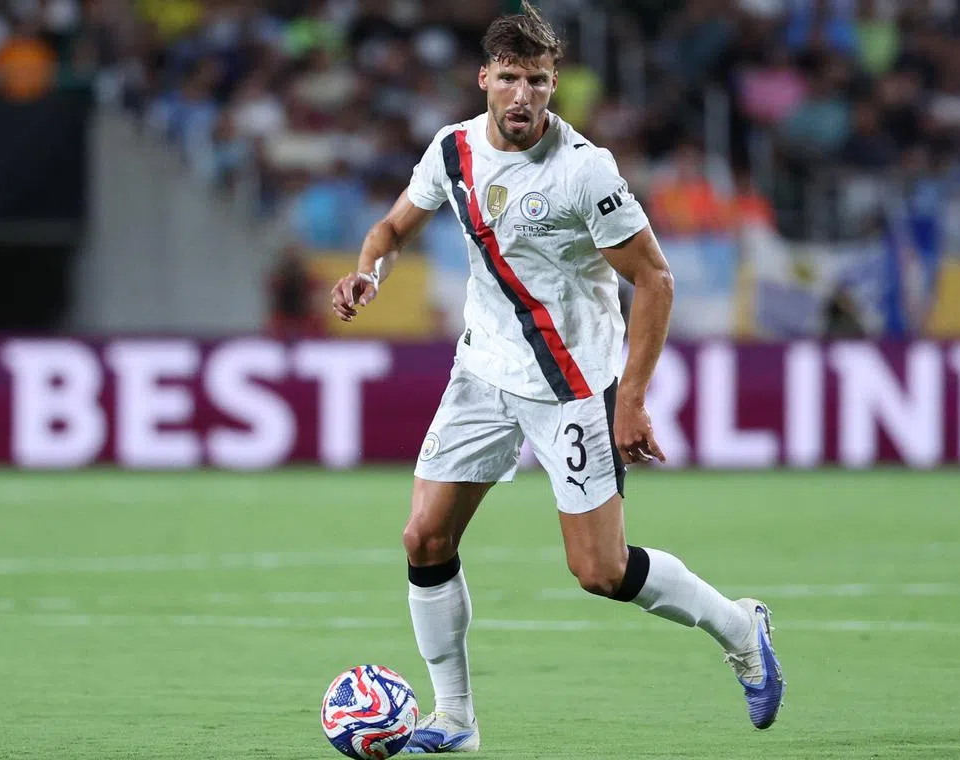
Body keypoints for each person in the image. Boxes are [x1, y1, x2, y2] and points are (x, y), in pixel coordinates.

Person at [330, 2, 784, 751]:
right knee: (423, 537)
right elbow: (390, 230)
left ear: (554, 85)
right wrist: (366, 273)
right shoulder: (451, 152)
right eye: (507, 77)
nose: (521, 96)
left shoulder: (584, 171)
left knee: (600, 571)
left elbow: (656, 280)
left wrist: (630, 400)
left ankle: (740, 627)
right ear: (483, 78)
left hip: (575, 386)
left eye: (536, 81)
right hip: (481, 372)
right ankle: (455, 720)